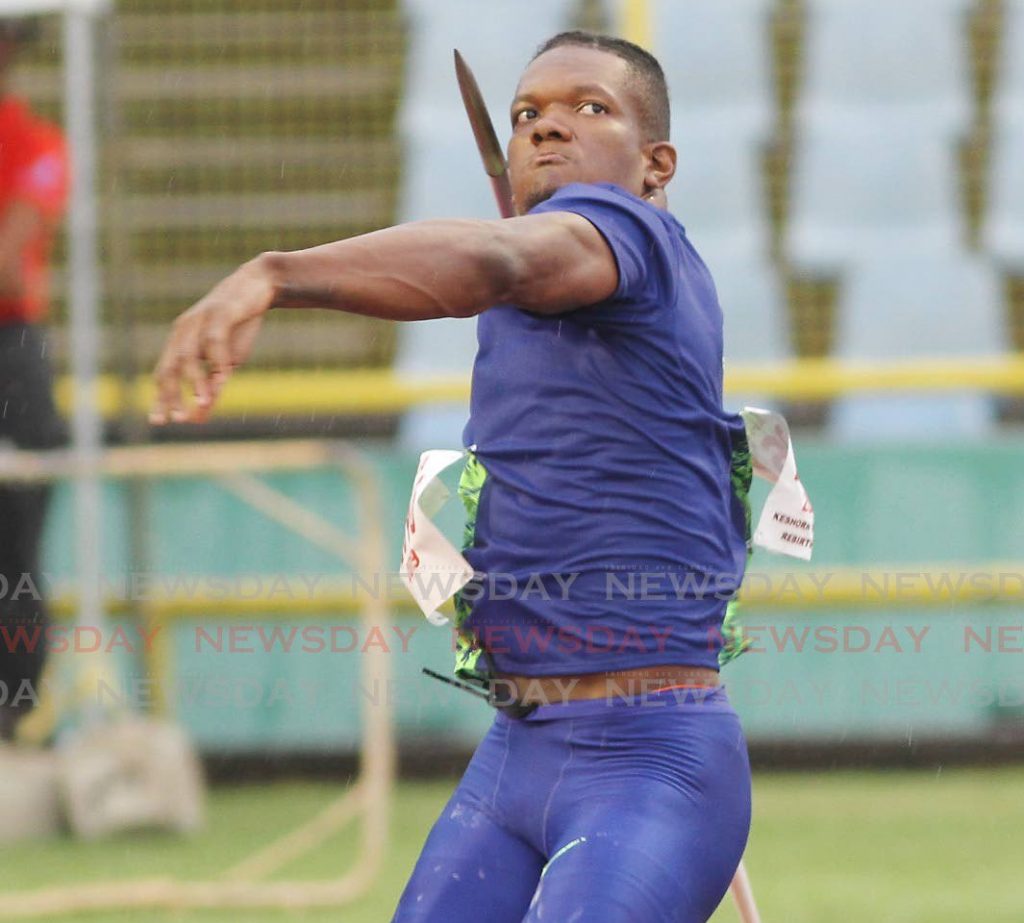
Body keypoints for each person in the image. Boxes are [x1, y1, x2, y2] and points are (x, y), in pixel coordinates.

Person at [151, 31, 753, 923]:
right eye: (527, 115)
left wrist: (277, 275)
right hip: (515, 755)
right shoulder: (528, 290)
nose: (549, 127)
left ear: (656, 164)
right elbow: (509, 267)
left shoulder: (638, 239)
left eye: (591, 108)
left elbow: (502, 259)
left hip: (652, 759)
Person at [0, 17, 70, 742]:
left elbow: (8, 261)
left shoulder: (36, 143)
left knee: (16, 549)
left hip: (11, 351)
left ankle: (13, 710)